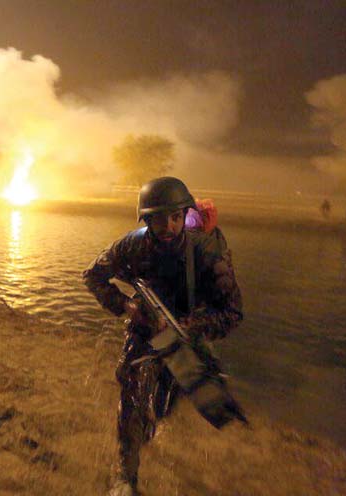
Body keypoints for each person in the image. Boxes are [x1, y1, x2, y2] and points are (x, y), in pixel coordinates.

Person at [82, 177, 243, 496]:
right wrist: (127, 306)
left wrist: (192, 326)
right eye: (158, 218)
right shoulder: (131, 245)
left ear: (185, 215)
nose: (168, 225)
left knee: (166, 402)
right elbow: (93, 276)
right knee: (131, 395)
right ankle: (126, 477)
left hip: (189, 337)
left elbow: (232, 312)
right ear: (146, 219)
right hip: (145, 330)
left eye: (176, 217)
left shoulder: (208, 251)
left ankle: (152, 420)